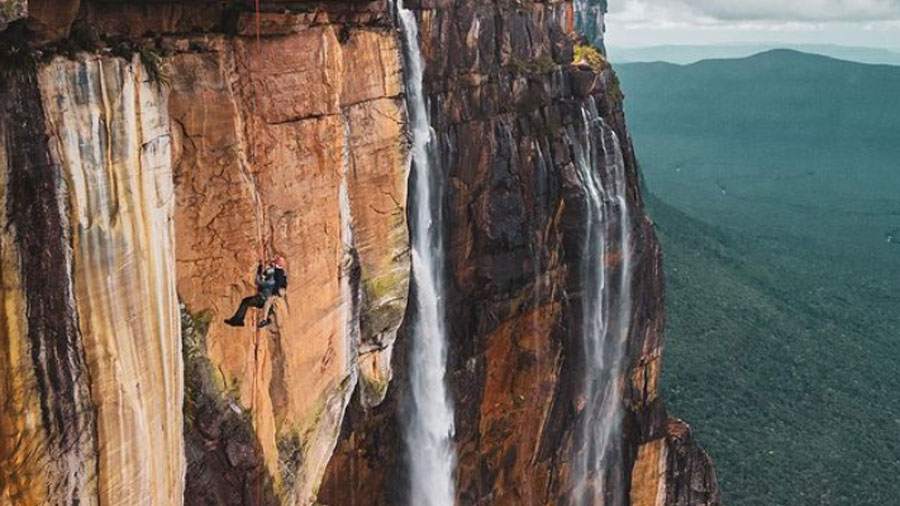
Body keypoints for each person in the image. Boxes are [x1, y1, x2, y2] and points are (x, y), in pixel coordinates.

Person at [224, 256, 287, 327]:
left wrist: (259, 271)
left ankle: (238, 320)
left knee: (246, 301)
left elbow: (259, 281)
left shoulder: (273, 276)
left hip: (263, 298)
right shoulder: (281, 274)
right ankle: (267, 317)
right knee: (264, 306)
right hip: (268, 299)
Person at [257, 255, 287, 328]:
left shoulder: (278, 271)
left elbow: (278, 283)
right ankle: (270, 312)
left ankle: (264, 319)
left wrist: (273, 293)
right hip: (279, 289)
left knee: (267, 302)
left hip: (278, 290)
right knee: (269, 301)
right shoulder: (278, 269)